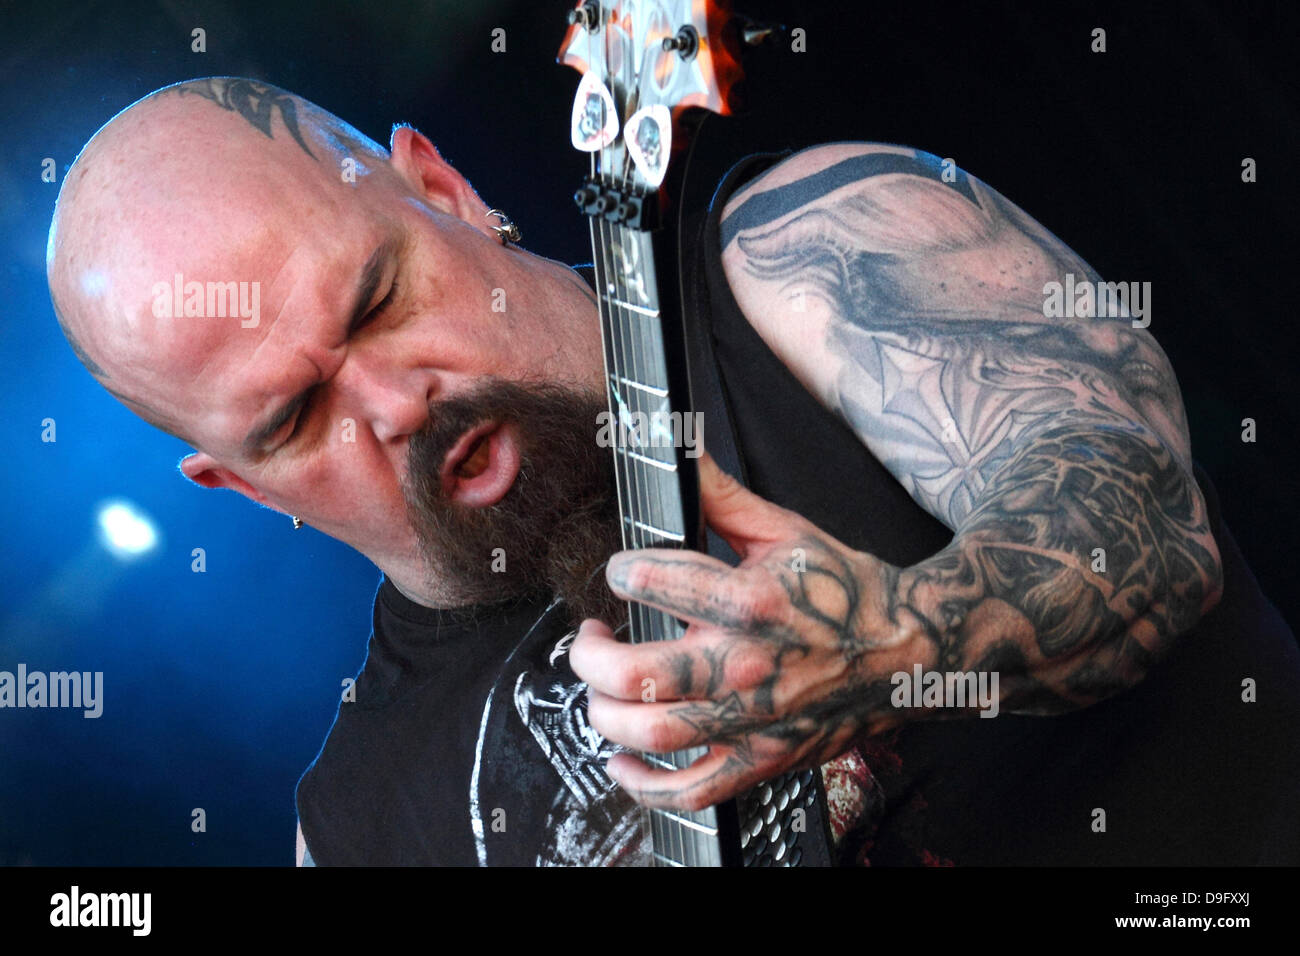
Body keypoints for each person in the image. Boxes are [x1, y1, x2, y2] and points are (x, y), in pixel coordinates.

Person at [46, 76, 1300, 866]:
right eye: (297, 414)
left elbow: (1138, 511)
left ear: (445, 188)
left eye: (378, 300)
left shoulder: (800, 257)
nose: (393, 400)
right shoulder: (356, 823)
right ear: (245, 487)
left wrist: (906, 642)